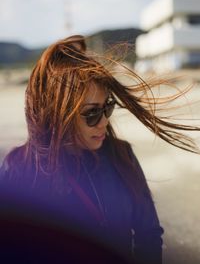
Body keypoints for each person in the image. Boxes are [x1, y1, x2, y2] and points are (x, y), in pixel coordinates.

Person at [1, 35, 200, 264]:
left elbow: (149, 234)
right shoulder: (18, 168)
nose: (104, 121)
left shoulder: (121, 156)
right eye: (91, 113)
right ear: (57, 115)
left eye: (108, 106)